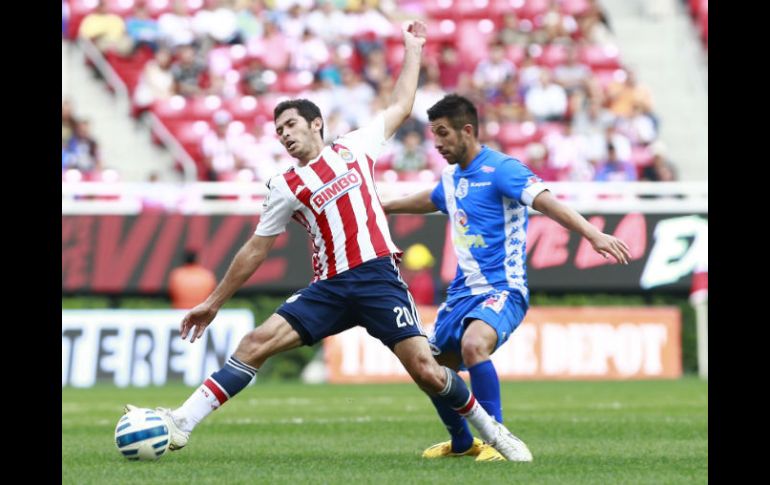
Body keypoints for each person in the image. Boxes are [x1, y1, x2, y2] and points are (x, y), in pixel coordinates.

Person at [126, 21, 531, 462]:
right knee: (253, 345)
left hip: (378, 279)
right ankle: (182, 423)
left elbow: (401, 105)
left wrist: (412, 48)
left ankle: (494, 435)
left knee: (428, 373)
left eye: (291, 124)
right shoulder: (283, 186)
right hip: (330, 289)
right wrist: (213, 302)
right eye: (279, 130)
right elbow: (256, 247)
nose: (284, 134)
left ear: (316, 123)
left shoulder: (354, 148)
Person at [382, 94, 631, 461]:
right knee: (428, 368)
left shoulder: (502, 169)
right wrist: (385, 205)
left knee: (474, 345)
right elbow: (432, 198)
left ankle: (496, 439)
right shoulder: (450, 178)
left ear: (467, 131)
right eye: (434, 134)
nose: (437, 143)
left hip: (503, 288)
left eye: (443, 133)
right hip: (462, 293)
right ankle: (463, 443)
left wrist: (593, 234)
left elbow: (547, 201)